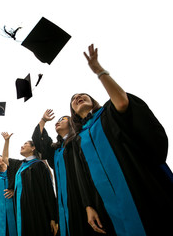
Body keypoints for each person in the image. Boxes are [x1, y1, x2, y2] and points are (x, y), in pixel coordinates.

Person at [69, 44, 173, 235]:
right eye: (74, 99)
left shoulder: (109, 112)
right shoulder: (79, 141)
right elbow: (84, 177)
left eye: (82, 95)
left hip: (138, 185)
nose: (78, 98)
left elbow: (123, 102)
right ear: (74, 114)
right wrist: (88, 206)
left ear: (93, 100)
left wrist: (99, 71)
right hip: (108, 204)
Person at [32, 110, 108, 235]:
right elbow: (39, 142)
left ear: (72, 123)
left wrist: (88, 203)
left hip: (84, 196)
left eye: (63, 119)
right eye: (58, 120)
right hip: (64, 202)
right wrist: (43, 120)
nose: (58, 121)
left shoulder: (79, 140)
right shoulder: (55, 150)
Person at [1, 132, 58, 236]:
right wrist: (6, 141)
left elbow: (48, 191)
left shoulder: (39, 165)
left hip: (37, 210)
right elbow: (4, 158)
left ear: (33, 148)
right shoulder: (20, 165)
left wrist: (53, 217)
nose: (22, 146)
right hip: (22, 211)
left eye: (25, 144)